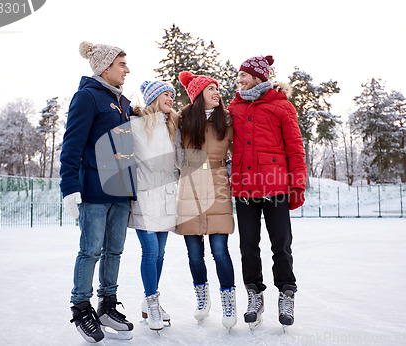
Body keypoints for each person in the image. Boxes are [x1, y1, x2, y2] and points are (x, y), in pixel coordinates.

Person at [60, 41, 135, 343]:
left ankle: (107, 305)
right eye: (121, 64)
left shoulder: (124, 103)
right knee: (91, 250)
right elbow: (72, 145)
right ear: (105, 68)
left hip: (121, 190)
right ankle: (81, 308)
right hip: (94, 189)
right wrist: (69, 187)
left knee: (114, 250)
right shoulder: (87, 98)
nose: (127, 69)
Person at [227, 55, 307, 329]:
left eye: (244, 75)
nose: (240, 79)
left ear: (259, 77)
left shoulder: (282, 107)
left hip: (276, 185)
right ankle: (254, 295)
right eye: (239, 75)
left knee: (281, 245)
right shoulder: (234, 108)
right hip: (244, 186)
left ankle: (286, 293)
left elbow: (295, 148)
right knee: (248, 246)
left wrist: (297, 184)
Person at [176, 71, 237, 330]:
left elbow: (240, 151)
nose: (217, 92)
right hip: (190, 186)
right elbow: (174, 151)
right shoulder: (183, 120)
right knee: (193, 254)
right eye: (210, 88)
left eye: (217, 88)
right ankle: (202, 298)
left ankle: (228, 301)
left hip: (218, 184)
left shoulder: (227, 119)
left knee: (220, 250)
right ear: (198, 94)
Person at [127, 80, 179, 331]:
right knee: (149, 251)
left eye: (172, 95)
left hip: (167, 197)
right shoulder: (135, 125)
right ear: (153, 98)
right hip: (145, 197)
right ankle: (152, 302)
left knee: (160, 253)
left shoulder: (172, 126)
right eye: (166, 94)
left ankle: (150, 303)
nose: (171, 98)